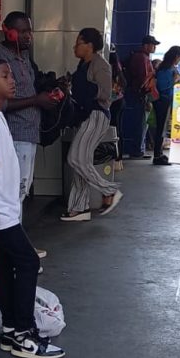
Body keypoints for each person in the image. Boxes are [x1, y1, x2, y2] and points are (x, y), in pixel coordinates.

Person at [0, 57, 64, 358]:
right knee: (28, 263)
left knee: (3, 268)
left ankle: (12, 331)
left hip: (2, 209)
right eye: (5, 75)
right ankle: (25, 334)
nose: (12, 80)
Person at [0, 11, 52, 259]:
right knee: (14, 191)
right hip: (14, 134)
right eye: (22, 31)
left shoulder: (24, 58)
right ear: (7, 30)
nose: (28, 36)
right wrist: (36, 100)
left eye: (30, 31)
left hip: (29, 133)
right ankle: (14, 248)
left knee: (21, 191)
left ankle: (18, 243)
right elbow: (0, 103)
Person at [62, 28, 122, 221]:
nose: (75, 46)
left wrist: (82, 89)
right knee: (82, 161)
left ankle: (110, 190)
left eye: (78, 42)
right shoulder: (83, 65)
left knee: (75, 159)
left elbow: (106, 93)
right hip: (86, 115)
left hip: (96, 115)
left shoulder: (101, 65)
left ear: (89, 46)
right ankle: (79, 208)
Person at [122, 34, 159, 159]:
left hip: (140, 94)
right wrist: (145, 95)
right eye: (153, 45)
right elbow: (143, 78)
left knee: (143, 122)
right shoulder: (142, 58)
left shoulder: (142, 57)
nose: (155, 47)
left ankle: (139, 149)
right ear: (146, 45)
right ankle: (137, 150)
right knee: (141, 122)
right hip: (142, 95)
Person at [150, 45, 180, 166]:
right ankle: (157, 156)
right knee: (160, 127)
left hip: (164, 101)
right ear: (175, 57)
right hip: (162, 101)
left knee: (162, 128)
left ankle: (159, 153)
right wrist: (175, 80)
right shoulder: (165, 69)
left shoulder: (166, 68)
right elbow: (164, 87)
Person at [107, 49, 126, 172]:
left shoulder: (108, 71)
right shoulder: (118, 71)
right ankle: (119, 159)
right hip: (120, 101)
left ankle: (115, 159)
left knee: (112, 131)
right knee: (118, 131)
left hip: (113, 103)